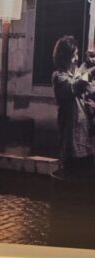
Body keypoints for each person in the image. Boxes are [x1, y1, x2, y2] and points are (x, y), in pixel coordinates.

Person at [52, 35, 94, 177]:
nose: (76, 59)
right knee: (72, 177)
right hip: (72, 140)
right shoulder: (59, 77)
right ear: (65, 57)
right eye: (74, 55)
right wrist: (91, 71)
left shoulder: (78, 74)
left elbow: (89, 89)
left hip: (87, 138)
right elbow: (74, 87)